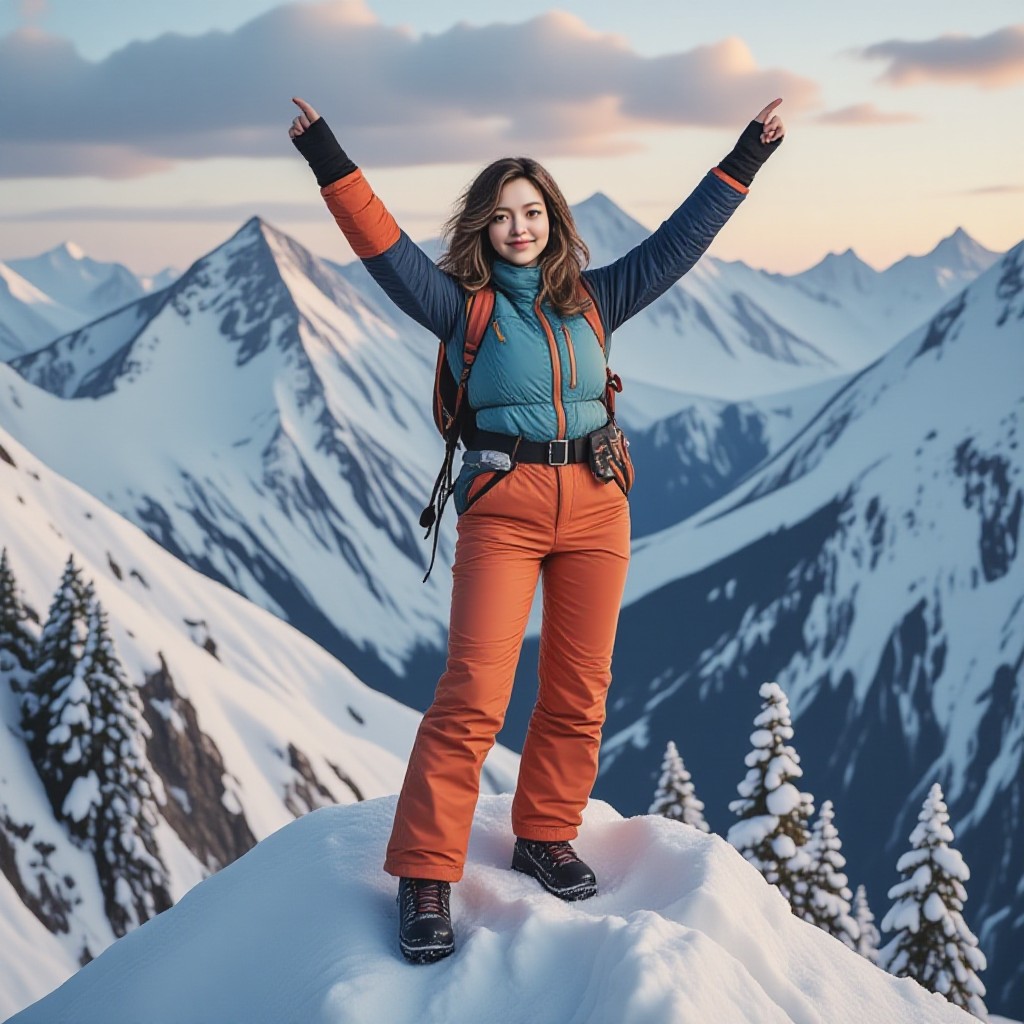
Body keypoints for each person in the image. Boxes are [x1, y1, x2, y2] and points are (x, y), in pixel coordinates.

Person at [289, 94, 785, 963]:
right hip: (504, 507)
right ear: (482, 229)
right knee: (474, 691)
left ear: (554, 222)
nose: (520, 228)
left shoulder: (595, 298)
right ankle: (426, 874)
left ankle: (545, 834)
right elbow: (382, 247)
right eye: (504, 217)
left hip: (598, 499)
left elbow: (679, 242)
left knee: (579, 685)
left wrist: (747, 154)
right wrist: (327, 154)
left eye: (534, 213)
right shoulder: (462, 309)